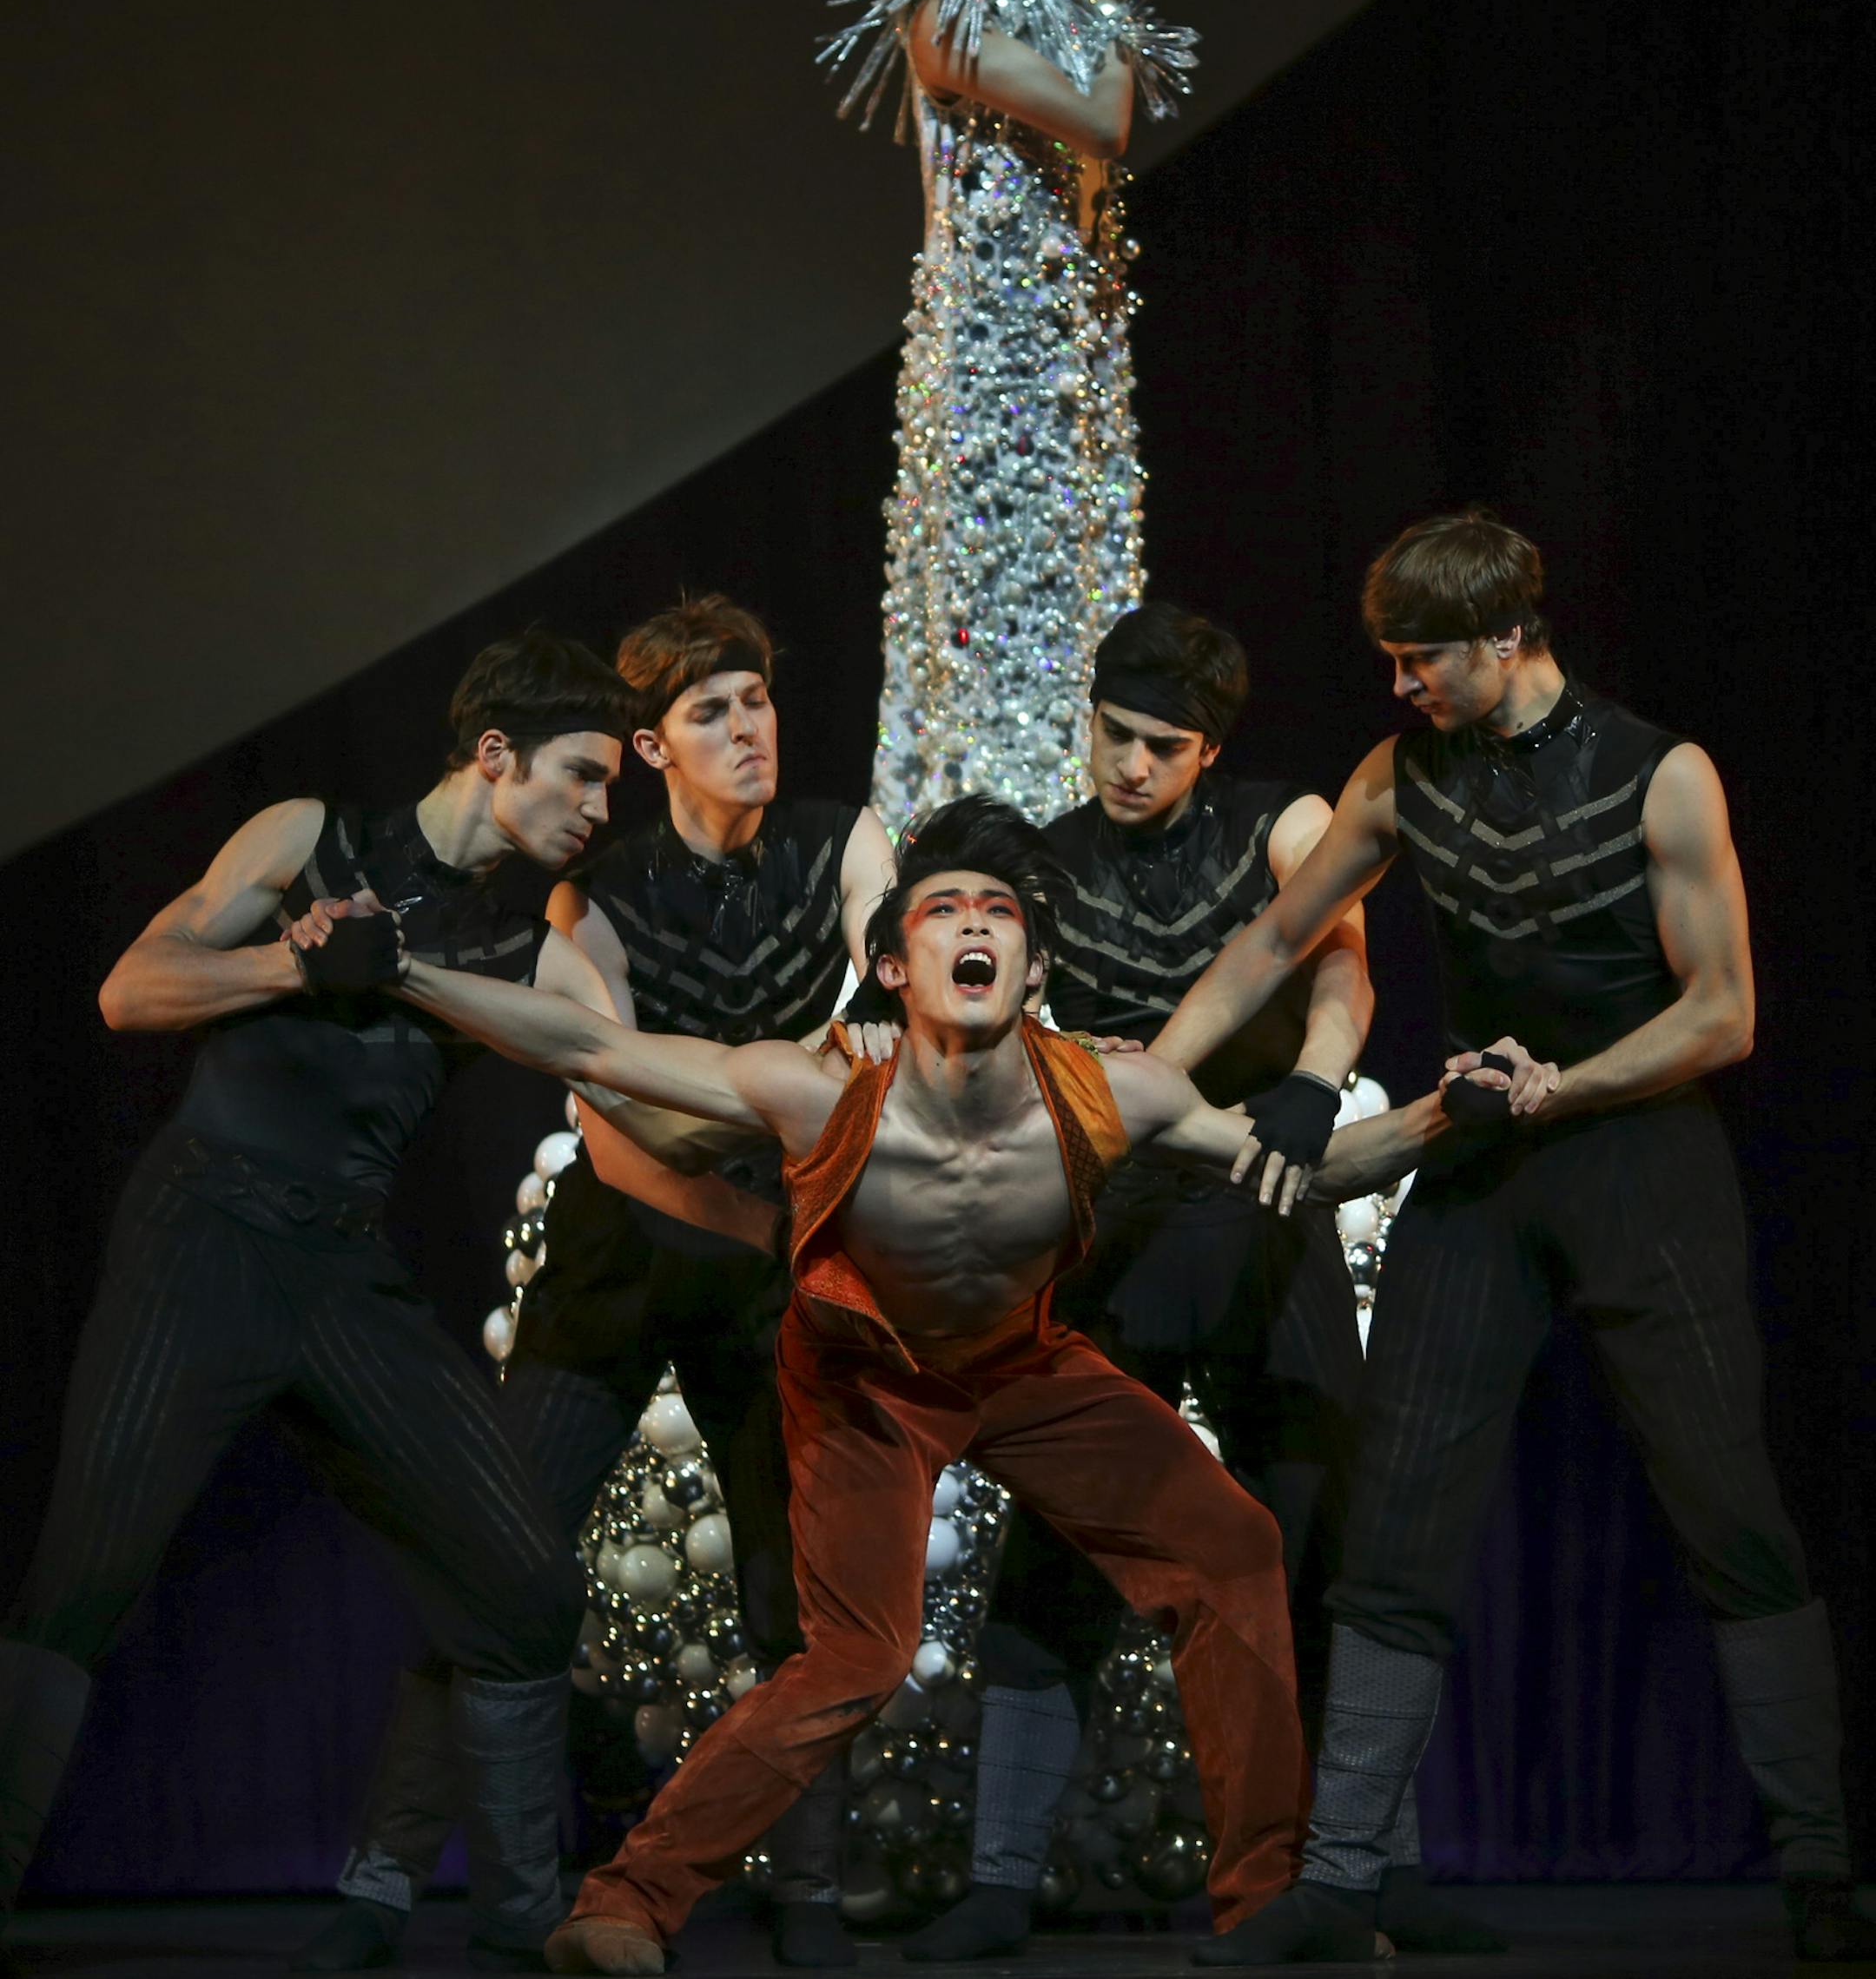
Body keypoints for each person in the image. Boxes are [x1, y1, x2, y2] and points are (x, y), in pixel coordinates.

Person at [317, 793, 1523, 1976]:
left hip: (1023, 1363)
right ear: (893, 967)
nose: (971, 922)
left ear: (1032, 965)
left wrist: (1445, 1108)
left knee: (1235, 1545)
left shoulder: (1118, 1091)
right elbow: (588, 1045)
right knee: (856, 1654)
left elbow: (1306, 1173)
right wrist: (403, 971)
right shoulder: (821, 1090)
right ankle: (627, 1896)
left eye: (995, 907)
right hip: (863, 1382)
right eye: (941, 909)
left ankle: (1264, 1895)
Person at [1149, 510, 1875, 1966]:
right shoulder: (1398, 773)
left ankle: (1820, 1869)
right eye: (1392, 660)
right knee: (1395, 1519)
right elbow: (1276, 940)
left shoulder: (1660, 773)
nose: (1401, 685)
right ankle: (1343, 1880)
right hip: (1484, 1165)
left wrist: (1570, 1081)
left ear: (1505, 639)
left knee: (1728, 1507)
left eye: (1423, 660)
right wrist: (1151, 1076)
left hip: (1634, 1157)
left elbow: (1723, 1009)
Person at [0, 631, 637, 1971]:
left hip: (346, 1267)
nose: (598, 806)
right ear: (494, 754)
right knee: (78, 1586)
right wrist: (300, 966)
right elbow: (131, 989)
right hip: (207, 1234)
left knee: (523, 1580)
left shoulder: (531, 933)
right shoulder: (308, 833)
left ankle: (524, 1924)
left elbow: (609, 1051)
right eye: (582, 774)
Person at [296, 597, 898, 1975]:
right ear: (652, 743)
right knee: (490, 1565)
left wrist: (865, 1011)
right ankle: (382, 1881)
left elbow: (881, 966)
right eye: (711, 713)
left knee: (792, 1597)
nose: (747, 729)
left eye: (756, 701)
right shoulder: (598, 890)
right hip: (625, 1263)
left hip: (774, 1284)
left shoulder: (841, 838)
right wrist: (775, 1154)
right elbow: (620, 1123)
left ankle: (806, 1887)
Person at [903, 604, 1490, 1962]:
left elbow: (1338, 960)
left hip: (1263, 1192)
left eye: (1161, 744)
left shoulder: (1276, 824)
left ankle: (1366, 1867)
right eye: (1113, 734)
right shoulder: (1044, 862)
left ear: (1208, 746)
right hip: (1114, 1216)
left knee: (1317, 1529)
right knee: (1065, 1532)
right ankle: (1000, 1875)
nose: (1129, 763)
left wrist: (1309, 1078)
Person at [819, 0, 1198, 830]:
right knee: (990, 611)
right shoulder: (940, 6)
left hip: (1068, 357)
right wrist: (1118, 26)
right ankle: (991, 834)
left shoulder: (1044, 0)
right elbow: (1103, 122)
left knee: (1074, 604)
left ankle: (1079, 819)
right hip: (993, 372)